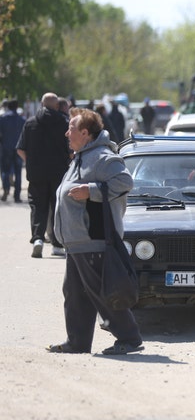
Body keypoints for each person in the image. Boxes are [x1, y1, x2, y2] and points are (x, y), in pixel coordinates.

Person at [47, 107, 142, 355]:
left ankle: (129, 338)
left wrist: (91, 190)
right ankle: (77, 342)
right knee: (75, 294)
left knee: (103, 293)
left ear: (86, 133)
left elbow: (125, 182)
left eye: (71, 128)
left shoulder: (102, 157)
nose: (67, 133)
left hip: (95, 241)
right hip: (77, 242)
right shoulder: (79, 157)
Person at [16, 92, 70, 258]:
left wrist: (31, 163)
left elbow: (20, 149)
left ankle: (38, 239)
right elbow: (71, 149)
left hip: (36, 174)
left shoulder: (31, 123)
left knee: (37, 206)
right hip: (58, 173)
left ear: (41, 104)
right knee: (57, 207)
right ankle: (57, 244)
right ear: (56, 106)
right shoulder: (64, 123)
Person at [0, 100, 26, 203]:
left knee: (5, 171)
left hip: (6, 148)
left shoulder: (2, 119)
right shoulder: (22, 120)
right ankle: (17, 195)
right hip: (19, 149)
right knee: (18, 172)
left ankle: (6, 188)